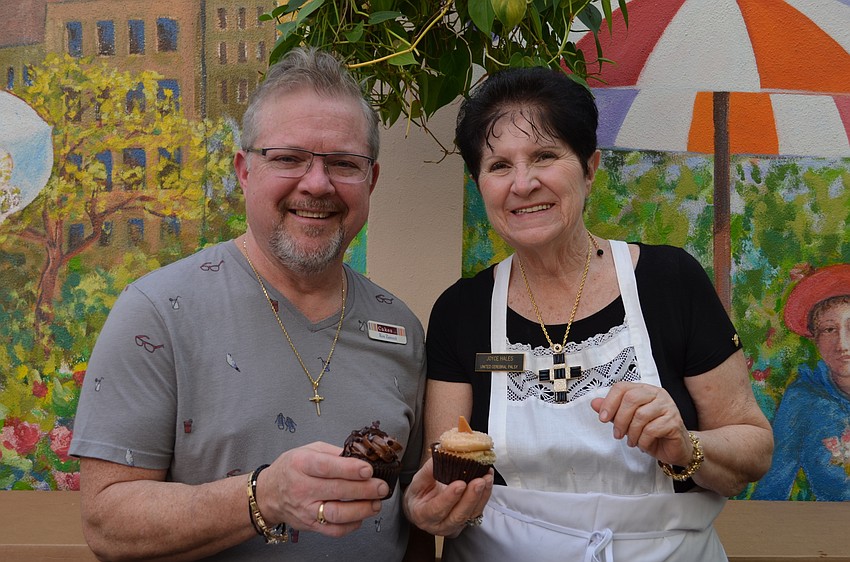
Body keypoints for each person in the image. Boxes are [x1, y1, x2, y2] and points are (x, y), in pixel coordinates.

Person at [69, 47, 426, 561]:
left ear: (371, 180)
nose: (317, 184)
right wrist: (264, 497)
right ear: (244, 170)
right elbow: (107, 523)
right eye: (288, 158)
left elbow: (409, 517)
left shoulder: (401, 328)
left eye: (343, 164)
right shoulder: (156, 312)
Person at [403, 66, 773, 560]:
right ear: (480, 184)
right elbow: (446, 472)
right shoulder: (461, 311)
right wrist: (431, 511)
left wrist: (687, 446)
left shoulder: (669, 280)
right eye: (499, 166)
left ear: (590, 167)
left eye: (545, 156)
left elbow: (754, 448)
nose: (523, 183)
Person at [752, 264, 850, 500]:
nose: (842, 344)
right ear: (815, 339)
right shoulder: (803, 400)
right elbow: (772, 489)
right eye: (828, 329)